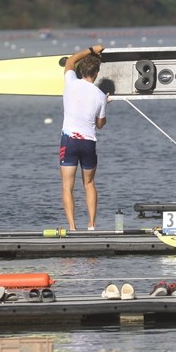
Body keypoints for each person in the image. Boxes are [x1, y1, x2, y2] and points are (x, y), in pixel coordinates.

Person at [59, 45, 108, 231]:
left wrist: (91, 49)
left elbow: (70, 60)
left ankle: (72, 227)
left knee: (67, 185)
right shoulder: (101, 96)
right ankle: (92, 225)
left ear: (81, 70)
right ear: (96, 73)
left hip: (69, 140)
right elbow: (100, 125)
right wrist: (105, 104)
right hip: (88, 142)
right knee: (88, 183)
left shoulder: (70, 82)